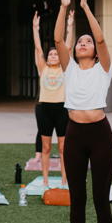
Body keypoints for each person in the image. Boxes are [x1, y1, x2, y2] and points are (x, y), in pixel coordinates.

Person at [55, 0, 112, 223]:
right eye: (80, 41)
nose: (83, 43)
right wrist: (63, 6)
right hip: (75, 134)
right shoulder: (69, 68)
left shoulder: (104, 67)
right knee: (76, 196)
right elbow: (57, 40)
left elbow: (102, 40)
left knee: (100, 198)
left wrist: (86, 7)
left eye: (86, 41)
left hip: (100, 135)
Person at [33, 10, 73, 188]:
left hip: (62, 110)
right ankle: (46, 181)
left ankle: (65, 181)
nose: (54, 56)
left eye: (56, 54)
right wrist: (35, 29)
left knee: (64, 149)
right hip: (45, 111)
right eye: (51, 55)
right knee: (46, 148)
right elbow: (38, 48)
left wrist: (70, 26)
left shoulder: (65, 68)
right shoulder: (43, 68)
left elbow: (68, 47)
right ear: (47, 59)